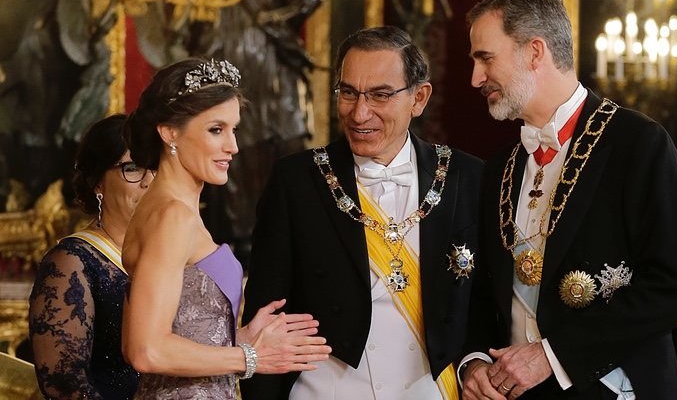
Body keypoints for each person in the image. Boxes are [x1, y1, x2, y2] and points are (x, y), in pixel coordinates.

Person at [459, 0, 677, 400]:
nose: (476, 77)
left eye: (486, 58)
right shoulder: (500, 165)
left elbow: (672, 286)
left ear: (535, 52)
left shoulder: (639, 144)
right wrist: (475, 360)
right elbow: (484, 290)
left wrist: (552, 356)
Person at [240, 25, 483, 400]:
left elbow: (487, 305)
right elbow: (267, 316)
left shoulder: (466, 178)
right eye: (348, 92)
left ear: (419, 98)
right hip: (323, 390)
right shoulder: (297, 181)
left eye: (380, 95)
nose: (359, 112)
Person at [121, 57, 331, 399]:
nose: (233, 146)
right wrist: (251, 357)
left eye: (234, 129)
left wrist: (238, 337)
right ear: (170, 132)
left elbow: (177, 327)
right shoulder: (172, 216)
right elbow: (146, 350)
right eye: (216, 130)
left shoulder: (168, 209)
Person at [28, 114, 151, 399]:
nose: (148, 181)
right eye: (133, 168)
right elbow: (64, 386)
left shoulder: (170, 254)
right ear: (97, 182)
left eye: (156, 167)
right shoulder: (71, 262)